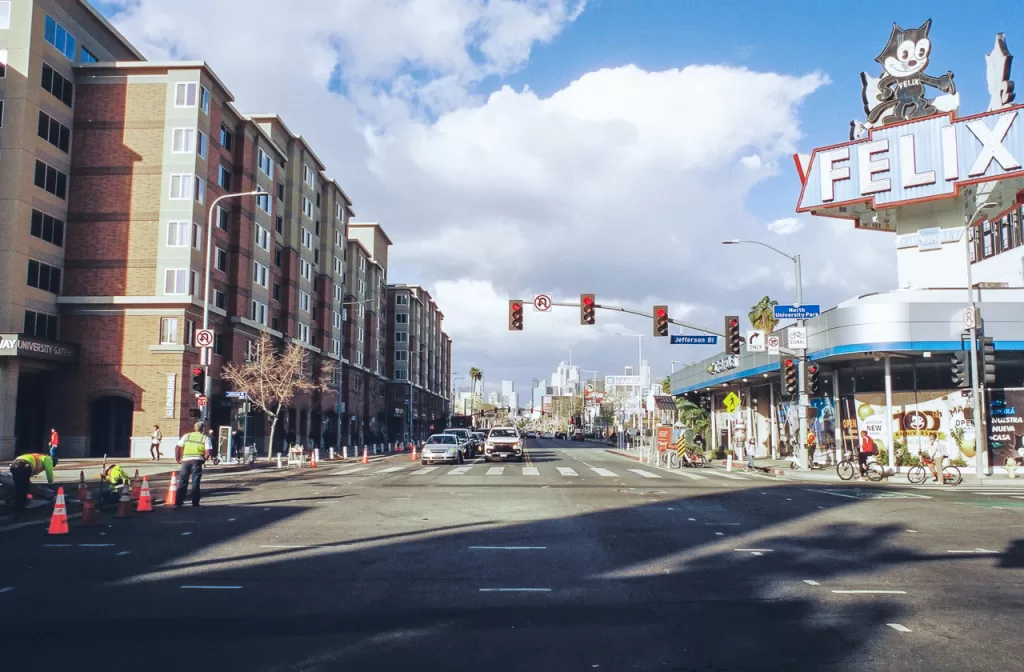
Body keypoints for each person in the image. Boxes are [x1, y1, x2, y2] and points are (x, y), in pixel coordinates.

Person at [175, 422, 212, 508]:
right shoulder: (205, 438)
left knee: (182, 481)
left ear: (194, 428)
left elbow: (177, 447)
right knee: (195, 482)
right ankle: (195, 503)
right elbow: (208, 451)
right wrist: (204, 459)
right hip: (197, 461)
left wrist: (178, 458)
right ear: (202, 429)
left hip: (186, 461)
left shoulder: (187, 436)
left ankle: (178, 502)